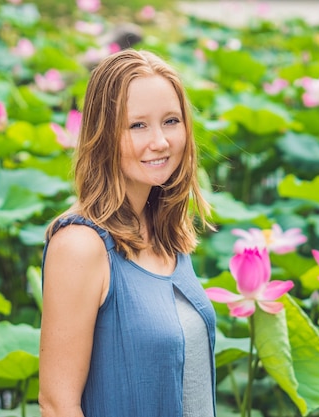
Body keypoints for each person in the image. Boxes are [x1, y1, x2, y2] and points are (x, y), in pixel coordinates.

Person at [38, 49, 216, 417]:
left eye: (171, 121)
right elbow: (57, 405)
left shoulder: (165, 229)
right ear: (103, 135)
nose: (161, 141)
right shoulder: (80, 245)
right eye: (138, 125)